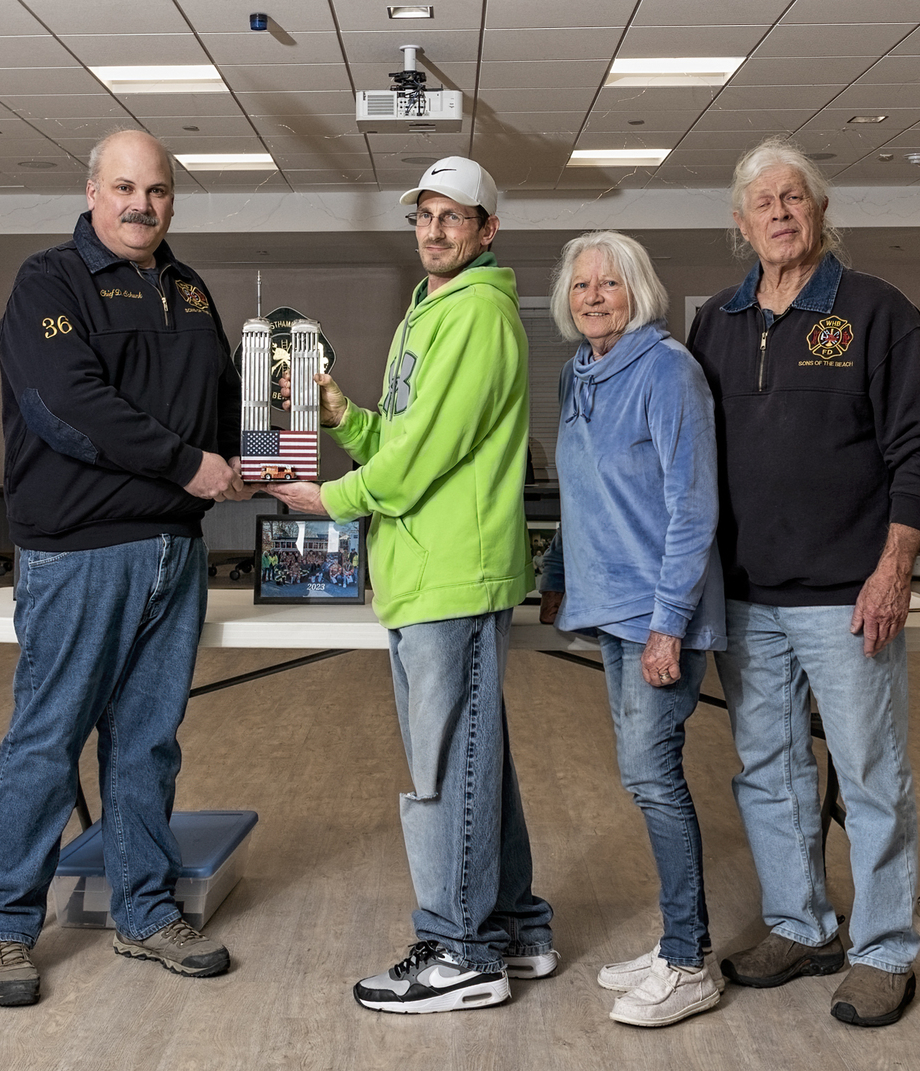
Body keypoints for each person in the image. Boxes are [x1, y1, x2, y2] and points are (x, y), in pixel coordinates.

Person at [265, 156, 554, 1014]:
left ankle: (462, 951)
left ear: (487, 230)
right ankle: (517, 927)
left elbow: (421, 460)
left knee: (445, 768)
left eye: (452, 217)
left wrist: (331, 499)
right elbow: (398, 433)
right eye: (423, 216)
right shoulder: (428, 312)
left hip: (451, 576)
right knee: (475, 761)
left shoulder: (476, 319)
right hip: (422, 572)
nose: (433, 230)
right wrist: (340, 413)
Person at [0, 129, 249, 1007]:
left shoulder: (190, 289)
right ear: (92, 192)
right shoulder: (47, 283)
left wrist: (270, 452)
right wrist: (185, 463)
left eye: (158, 190)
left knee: (147, 743)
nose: (142, 204)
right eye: (125, 187)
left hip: (177, 551)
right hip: (82, 554)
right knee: (47, 741)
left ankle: (145, 910)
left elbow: (226, 404)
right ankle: (7, 927)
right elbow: (67, 407)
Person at [687, 136, 920, 1028]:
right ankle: (801, 925)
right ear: (740, 224)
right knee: (768, 772)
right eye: (761, 201)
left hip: (849, 595)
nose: (778, 212)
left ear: (820, 210)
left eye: (793, 197)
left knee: (872, 774)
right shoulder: (715, 324)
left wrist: (893, 568)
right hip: (748, 598)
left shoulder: (877, 313)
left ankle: (884, 949)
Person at [536, 231, 726, 1027]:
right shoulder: (577, 374)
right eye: (581, 285)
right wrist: (552, 576)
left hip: (658, 615)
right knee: (641, 774)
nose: (593, 295)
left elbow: (694, 507)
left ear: (638, 291)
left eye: (609, 283)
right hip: (608, 608)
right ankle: (674, 941)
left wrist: (668, 625)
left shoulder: (668, 371)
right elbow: (577, 495)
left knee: (654, 777)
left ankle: (689, 959)